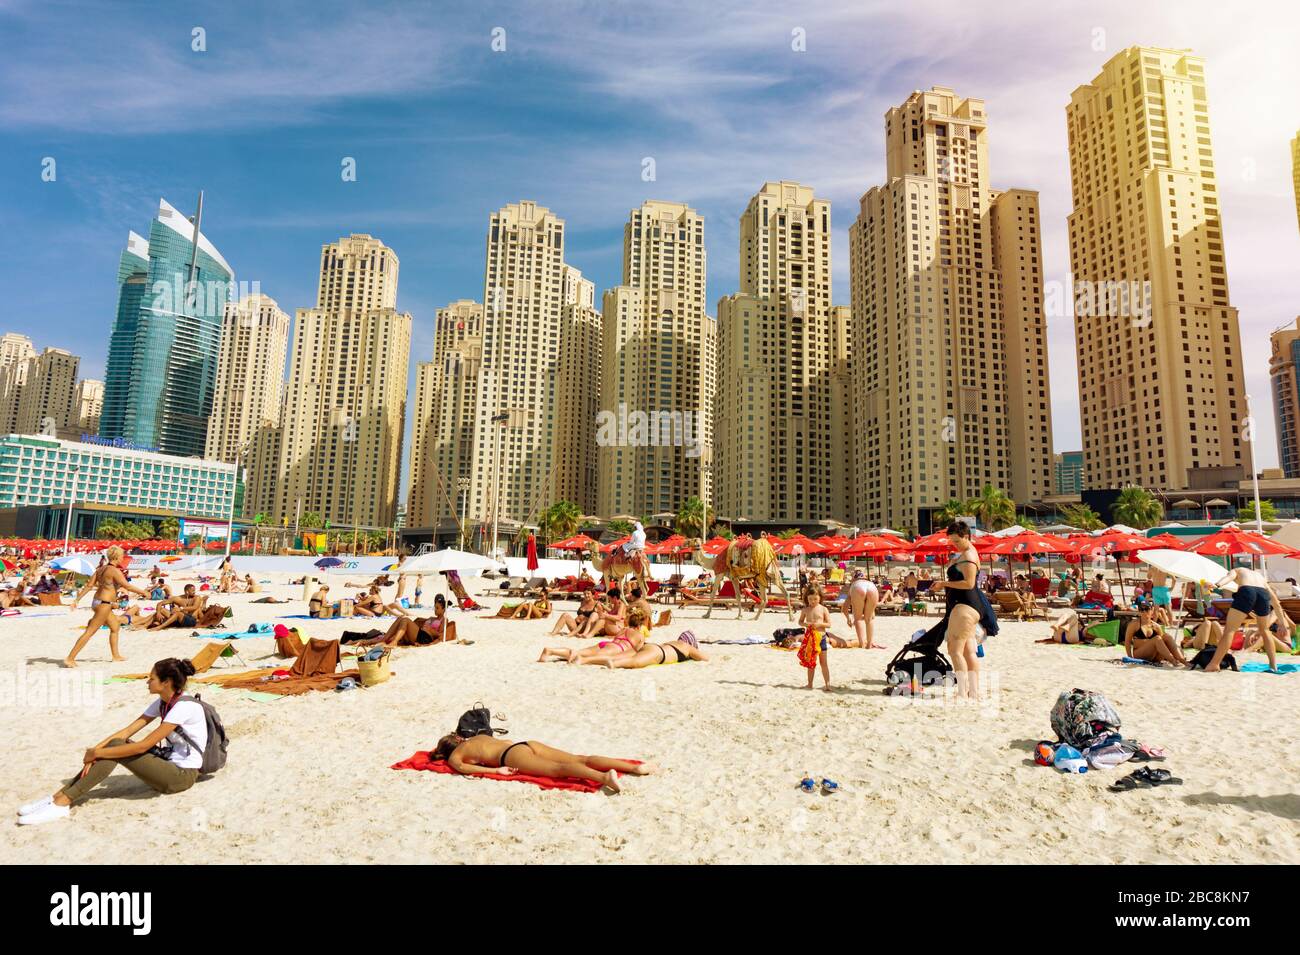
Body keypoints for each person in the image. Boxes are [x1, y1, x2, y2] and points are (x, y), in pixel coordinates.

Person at [17, 657, 207, 825]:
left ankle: (63, 802)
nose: (147, 681)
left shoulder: (184, 706)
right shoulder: (163, 702)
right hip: (169, 764)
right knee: (115, 744)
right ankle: (58, 797)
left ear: (166, 682)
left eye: (152, 678)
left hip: (181, 776)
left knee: (115, 748)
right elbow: (126, 731)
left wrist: (98, 753)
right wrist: (94, 751)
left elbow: (144, 745)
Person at [431, 732, 652, 794]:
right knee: (579, 758)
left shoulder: (454, 756)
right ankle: (634, 768)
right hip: (524, 743)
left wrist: (497, 769)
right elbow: (506, 740)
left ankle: (604, 778)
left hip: (510, 756)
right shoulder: (478, 737)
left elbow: (464, 768)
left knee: (558, 771)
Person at [64, 546, 149, 668]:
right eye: (122, 556)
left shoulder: (100, 569)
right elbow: (128, 586)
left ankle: (116, 656)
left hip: (97, 602)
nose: (122, 558)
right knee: (90, 631)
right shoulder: (114, 571)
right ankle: (70, 658)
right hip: (104, 604)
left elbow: (89, 586)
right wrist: (144, 592)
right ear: (117, 557)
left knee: (115, 627)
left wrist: (77, 600)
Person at [928, 522, 982, 699]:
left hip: (964, 605)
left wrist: (944, 583)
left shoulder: (968, 556)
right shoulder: (967, 554)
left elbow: (969, 583)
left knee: (954, 649)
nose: (954, 545)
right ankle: (972, 692)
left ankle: (962, 692)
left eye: (957, 541)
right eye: (952, 541)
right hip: (969, 605)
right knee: (968, 651)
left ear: (966, 536)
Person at [1206, 564, 1279, 673]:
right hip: (1263, 593)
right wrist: (1281, 621)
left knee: (1229, 630)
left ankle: (1214, 664)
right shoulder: (1259, 576)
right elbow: (1275, 600)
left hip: (1247, 591)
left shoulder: (1237, 570)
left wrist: (1216, 585)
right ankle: (1273, 666)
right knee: (1265, 630)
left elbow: (1228, 578)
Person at [538, 607, 648, 664]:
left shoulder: (624, 629)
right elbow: (637, 652)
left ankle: (551, 651)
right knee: (586, 657)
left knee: (579, 652)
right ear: (640, 624)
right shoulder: (640, 636)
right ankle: (552, 652)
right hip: (616, 648)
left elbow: (615, 638)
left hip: (605, 644)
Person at [594, 630, 709, 669]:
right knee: (634, 662)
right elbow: (704, 658)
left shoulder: (674, 642)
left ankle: (588, 660)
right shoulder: (687, 646)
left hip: (652, 646)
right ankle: (614, 664)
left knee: (622, 656)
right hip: (659, 653)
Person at [379, 594, 458, 645]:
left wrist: (430, 630)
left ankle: (394, 642)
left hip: (425, 637)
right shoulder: (431, 618)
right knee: (401, 618)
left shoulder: (444, 620)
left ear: (444, 609)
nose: (435, 610)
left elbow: (440, 635)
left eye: (437, 608)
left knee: (405, 619)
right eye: (435, 607)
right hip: (419, 634)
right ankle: (384, 639)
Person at [1124, 600, 1186, 665]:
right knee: (1157, 639)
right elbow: (1127, 642)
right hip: (1139, 654)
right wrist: (1130, 657)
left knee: (1166, 636)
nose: (1144, 611)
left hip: (1155, 657)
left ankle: (1183, 661)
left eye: (1147, 609)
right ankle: (1173, 661)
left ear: (1152, 610)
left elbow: (1164, 644)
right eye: (1141, 609)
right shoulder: (1134, 624)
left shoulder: (1156, 626)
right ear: (1139, 612)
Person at [798, 588, 833, 691]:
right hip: (810, 638)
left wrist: (820, 624)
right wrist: (806, 624)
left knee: (823, 663)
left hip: (821, 638)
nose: (813, 601)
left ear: (820, 598)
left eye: (815, 599)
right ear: (806, 599)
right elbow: (800, 622)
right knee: (811, 662)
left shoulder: (823, 609)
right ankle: (810, 684)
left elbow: (829, 624)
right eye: (810, 599)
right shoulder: (805, 610)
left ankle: (827, 684)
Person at [842, 569, 880, 649]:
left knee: (858, 618)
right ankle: (869, 644)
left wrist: (848, 619)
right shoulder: (869, 582)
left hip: (858, 588)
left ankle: (862, 644)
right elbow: (872, 615)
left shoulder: (854, 585)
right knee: (869, 619)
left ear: (853, 579)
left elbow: (844, 608)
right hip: (872, 588)